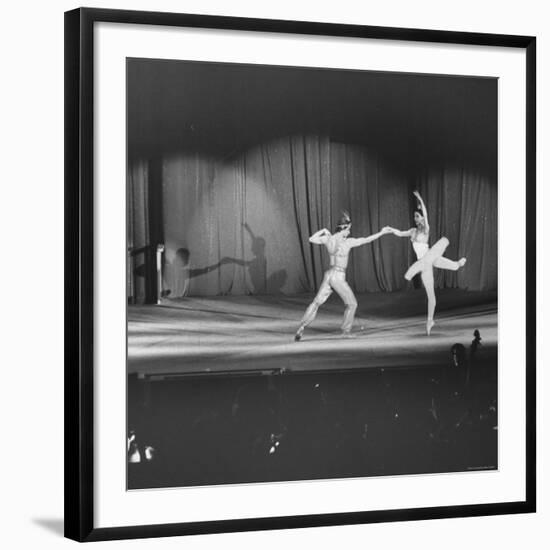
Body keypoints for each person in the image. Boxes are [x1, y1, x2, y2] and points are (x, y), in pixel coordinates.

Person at [294, 212, 391, 341]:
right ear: (344, 228)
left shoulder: (328, 239)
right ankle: (345, 331)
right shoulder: (347, 242)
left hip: (329, 275)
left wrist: (323, 230)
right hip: (338, 276)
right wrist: (381, 233)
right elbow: (366, 239)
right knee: (352, 304)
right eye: (348, 229)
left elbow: (311, 239)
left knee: (316, 302)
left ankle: (301, 327)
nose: (349, 232)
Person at [387, 191, 466, 335]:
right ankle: (430, 321)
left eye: (417, 216)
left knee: (454, 266)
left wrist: (420, 199)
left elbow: (426, 213)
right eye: (414, 217)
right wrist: (391, 229)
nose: (415, 218)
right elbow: (400, 233)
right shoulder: (412, 231)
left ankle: (459, 263)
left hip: (431, 256)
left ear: (422, 217)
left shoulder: (426, 229)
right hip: (425, 265)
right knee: (431, 295)